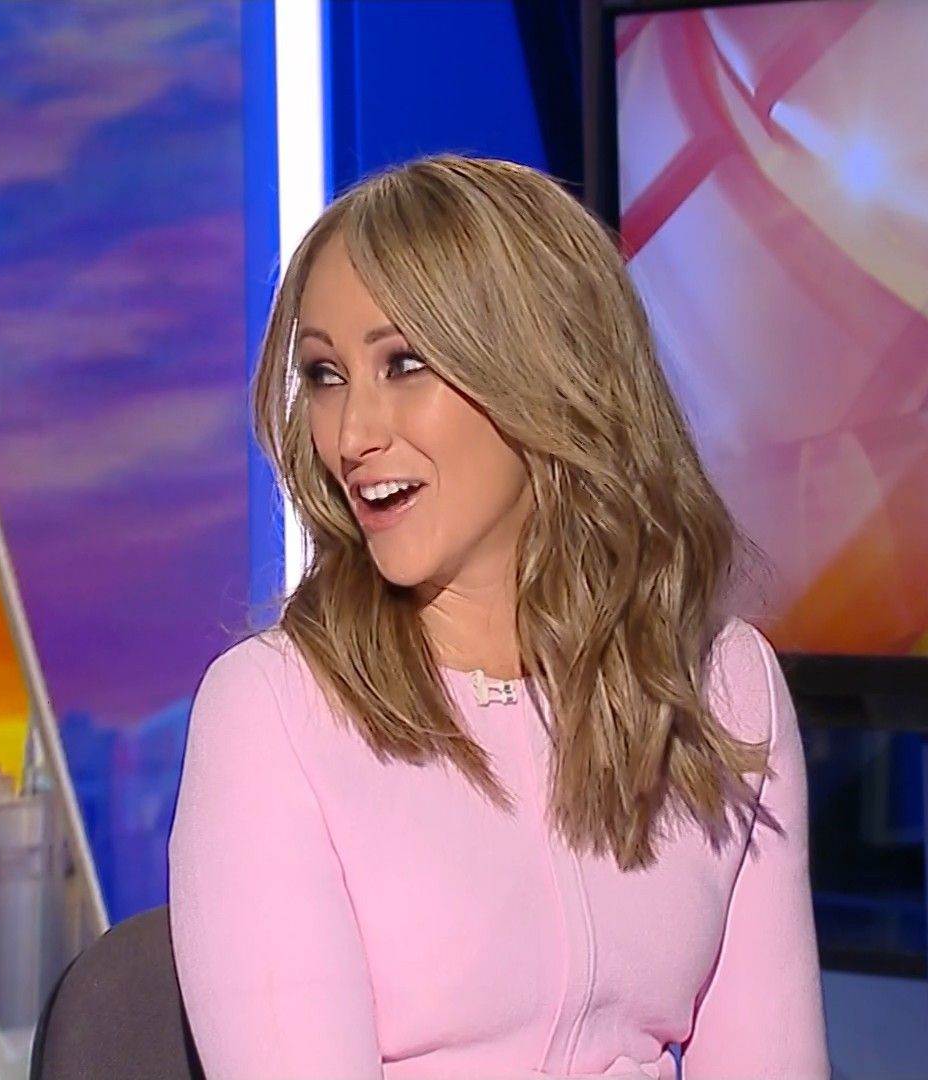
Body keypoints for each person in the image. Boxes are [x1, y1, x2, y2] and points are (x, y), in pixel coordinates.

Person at [168, 154, 829, 1079]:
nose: (353, 434)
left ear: (544, 370)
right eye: (325, 375)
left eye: (403, 364)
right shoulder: (271, 713)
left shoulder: (724, 689)